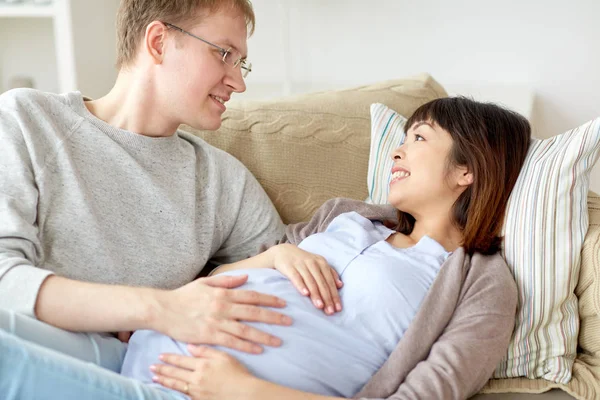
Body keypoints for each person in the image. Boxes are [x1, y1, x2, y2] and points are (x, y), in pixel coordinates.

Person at [0, 96, 532, 400]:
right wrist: (274, 256)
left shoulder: (482, 281)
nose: (397, 148)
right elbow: (237, 275)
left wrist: (243, 390)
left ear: (467, 169)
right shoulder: (349, 217)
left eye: (419, 138)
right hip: (136, 351)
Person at [0, 0, 293, 393]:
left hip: (143, 377)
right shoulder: (27, 120)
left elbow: (288, 295)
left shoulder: (224, 182)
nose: (238, 81)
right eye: (224, 54)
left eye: (241, 62)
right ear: (158, 41)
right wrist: (159, 309)